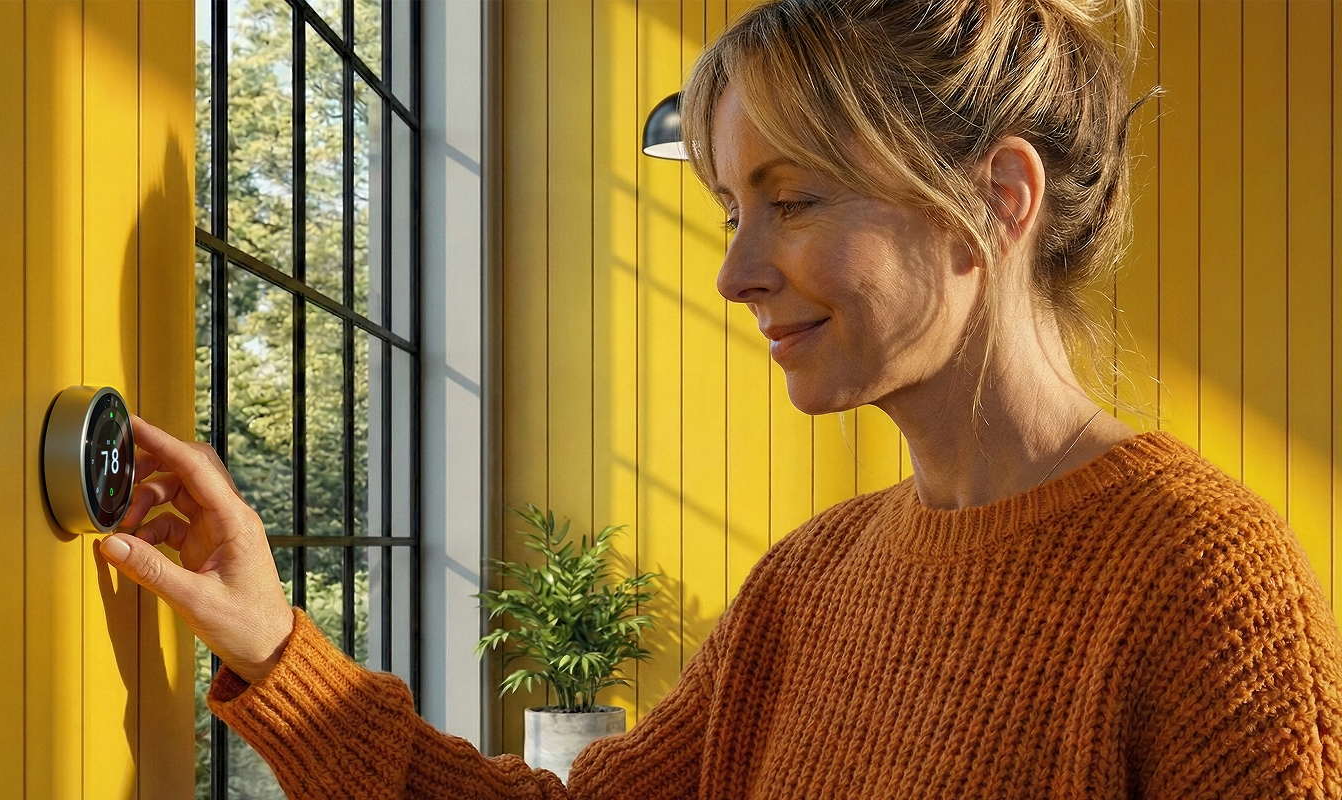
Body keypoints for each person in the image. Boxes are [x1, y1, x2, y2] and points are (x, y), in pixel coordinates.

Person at [103, 0, 1342, 796]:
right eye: (732, 209)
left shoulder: (1203, 581)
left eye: (793, 199)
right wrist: (274, 643)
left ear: (996, 199)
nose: (738, 270)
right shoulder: (811, 583)